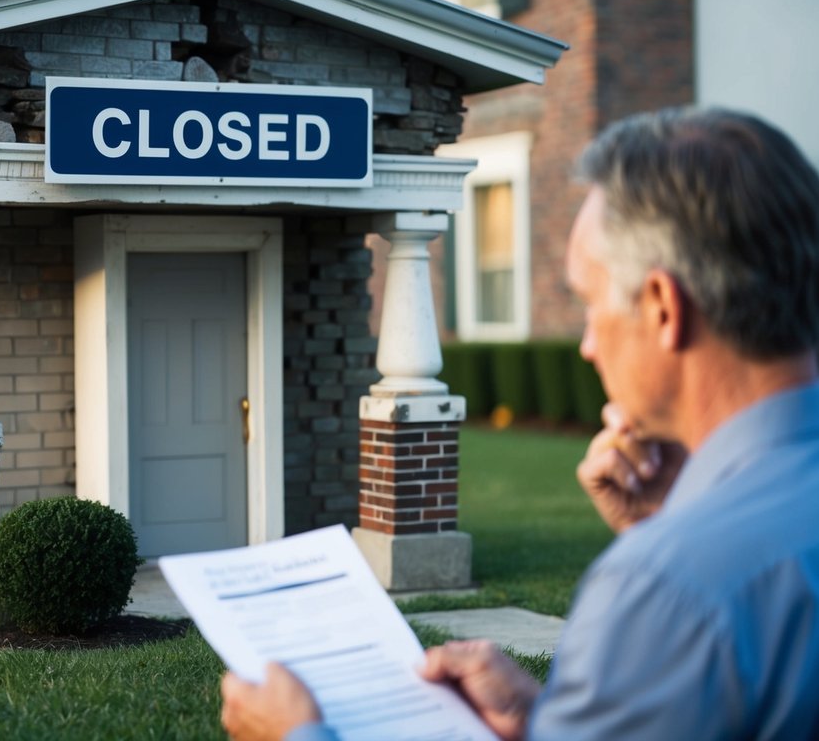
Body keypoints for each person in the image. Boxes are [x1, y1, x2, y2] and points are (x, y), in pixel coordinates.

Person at [219, 106, 819, 740]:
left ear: (665, 309)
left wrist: (296, 735)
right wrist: (548, 721)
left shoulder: (667, 584)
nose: (587, 344)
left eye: (591, 303)